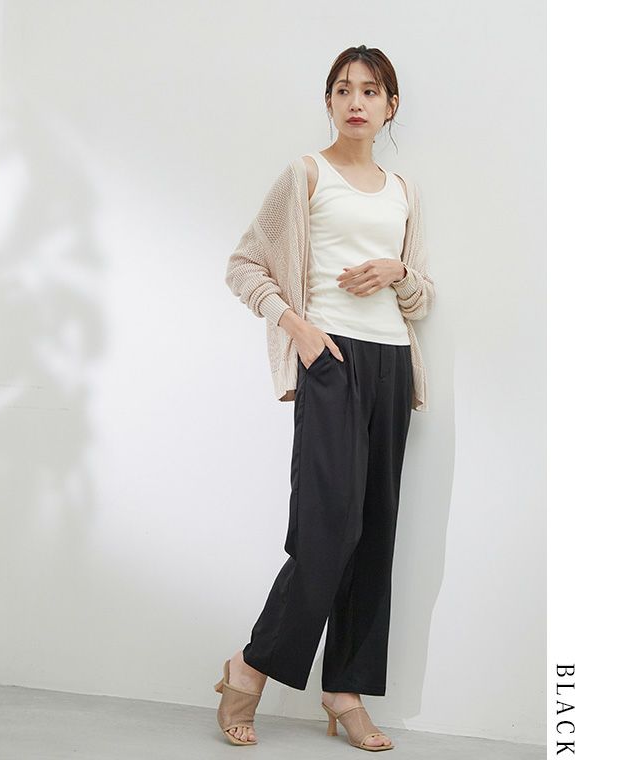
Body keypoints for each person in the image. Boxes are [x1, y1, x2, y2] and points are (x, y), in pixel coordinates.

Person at [215, 44, 435, 751]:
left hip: (392, 363)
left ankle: (345, 691)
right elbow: (244, 265)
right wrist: (299, 328)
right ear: (329, 101)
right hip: (330, 358)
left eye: (370, 90)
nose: (355, 101)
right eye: (343, 89)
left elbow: (421, 298)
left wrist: (399, 272)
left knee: (374, 529)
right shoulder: (306, 174)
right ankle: (252, 665)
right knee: (327, 529)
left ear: (391, 106)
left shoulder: (404, 191)